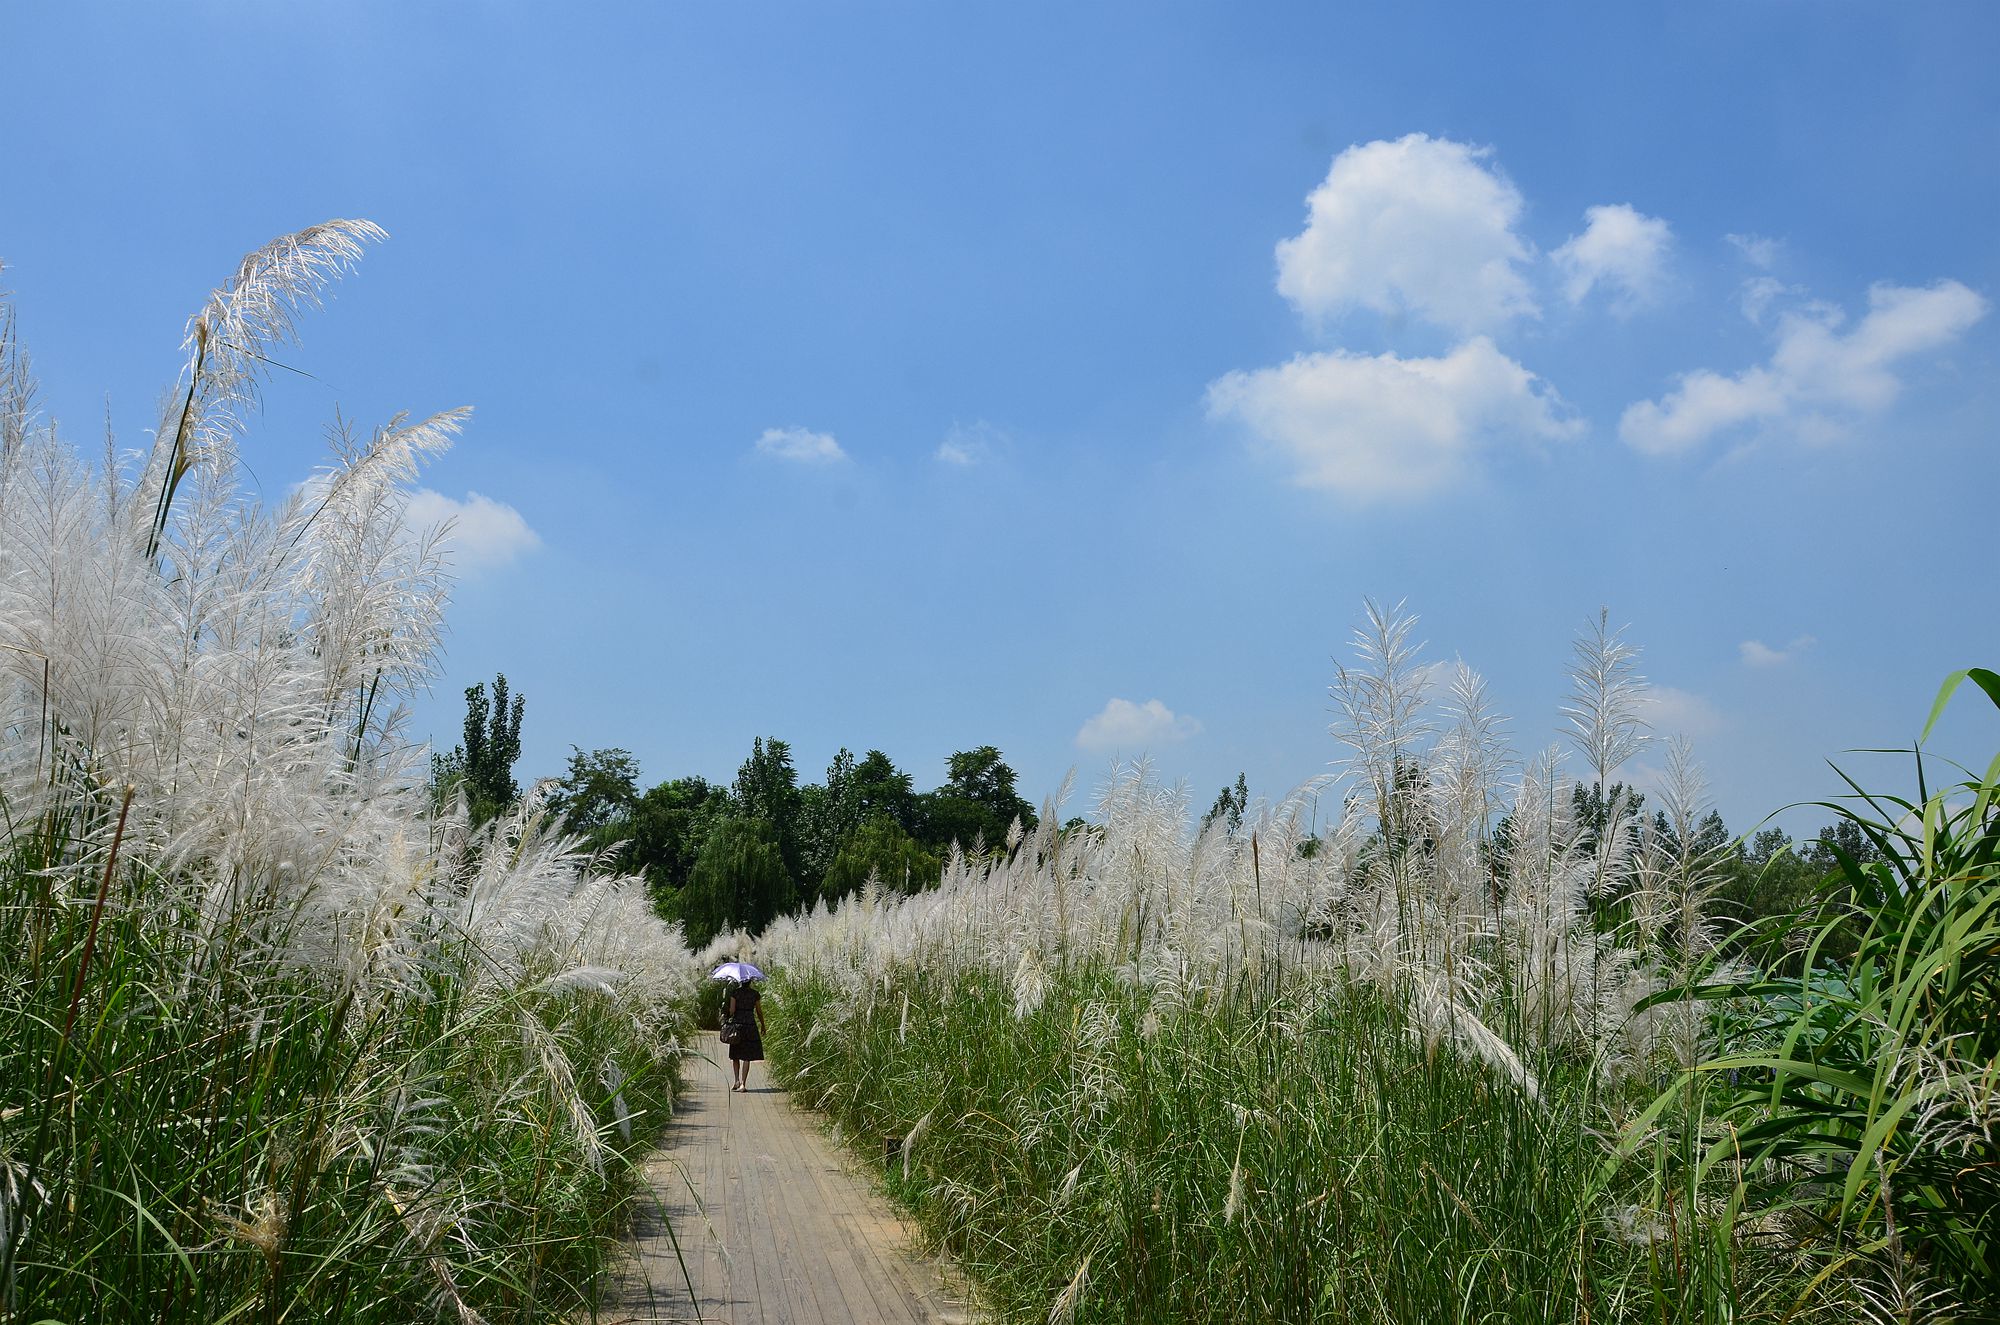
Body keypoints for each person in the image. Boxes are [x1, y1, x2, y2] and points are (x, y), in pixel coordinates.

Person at [722, 978, 767, 1092]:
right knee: (747, 1056)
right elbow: (759, 1011)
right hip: (750, 1025)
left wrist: (726, 1016)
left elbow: (732, 1010)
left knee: (735, 1054)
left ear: (741, 982)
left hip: (738, 1025)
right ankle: (743, 1084)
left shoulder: (735, 993)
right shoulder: (755, 994)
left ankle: (736, 1080)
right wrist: (762, 1024)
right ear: (750, 982)